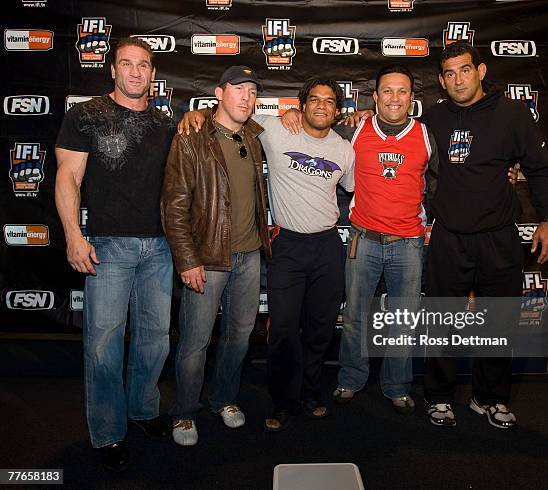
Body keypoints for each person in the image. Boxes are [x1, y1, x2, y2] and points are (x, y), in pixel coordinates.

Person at [179, 77, 355, 431]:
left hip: (327, 246)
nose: (322, 106)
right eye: (314, 99)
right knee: (284, 329)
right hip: (287, 245)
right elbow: (227, 120)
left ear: (337, 111)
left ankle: (310, 393)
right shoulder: (274, 130)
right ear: (302, 105)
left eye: (330, 101)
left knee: (320, 329)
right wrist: (195, 113)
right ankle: (284, 400)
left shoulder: (345, 150)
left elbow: (351, 188)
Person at [282, 64, 437, 415]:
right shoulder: (355, 129)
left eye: (402, 91)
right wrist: (292, 110)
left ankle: (397, 385)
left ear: (412, 97)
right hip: (362, 240)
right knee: (354, 316)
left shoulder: (427, 134)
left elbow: (441, 182)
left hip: (409, 242)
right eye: (387, 91)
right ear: (375, 96)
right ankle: (351, 378)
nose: (394, 97)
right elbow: (314, 125)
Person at [421, 41, 548, 429]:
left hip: (498, 236)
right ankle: (439, 396)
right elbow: (394, 137)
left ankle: (490, 398)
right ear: (441, 81)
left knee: (499, 321)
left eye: (465, 70)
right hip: (449, 236)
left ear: (481, 71)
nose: (458, 79)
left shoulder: (512, 114)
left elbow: (541, 168)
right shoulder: (433, 118)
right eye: (449, 74)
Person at [55, 38, 175, 471]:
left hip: (160, 248)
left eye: (144, 65)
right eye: (127, 64)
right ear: (112, 70)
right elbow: (68, 176)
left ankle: (143, 411)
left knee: (154, 340)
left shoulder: (165, 124)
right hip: (107, 246)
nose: (136, 72)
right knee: (104, 345)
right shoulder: (85, 114)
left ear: (153, 73)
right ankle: (107, 433)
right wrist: (73, 234)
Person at [161, 66, 271, 446]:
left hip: (249, 256)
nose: (247, 97)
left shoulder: (255, 136)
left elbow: (302, 119)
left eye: (253, 92)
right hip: (207, 258)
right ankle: (184, 413)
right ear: (219, 93)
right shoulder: (192, 137)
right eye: (238, 89)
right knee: (195, 341)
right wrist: (187, 259)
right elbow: (174, 206)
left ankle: (223, 398)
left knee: (239, 337)